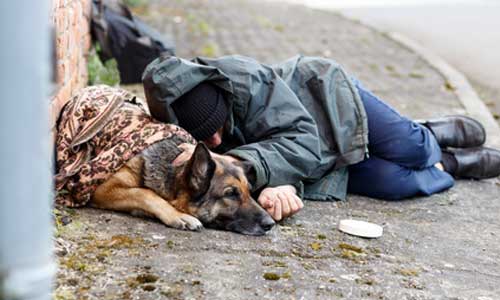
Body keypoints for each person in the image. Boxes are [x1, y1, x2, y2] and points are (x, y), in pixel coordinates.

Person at [142, 54, 500, 222]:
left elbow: (301, 138)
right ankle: (451, 163)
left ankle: (429, 134)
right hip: (307, 161)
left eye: (220, 127)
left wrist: (242, 164)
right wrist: (273, 188)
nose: (217, 142)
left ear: (222, 96)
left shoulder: (245, 79)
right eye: (207, 137)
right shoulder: (178, 123)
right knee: (397, 182)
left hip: (326, 102)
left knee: (413, 149)